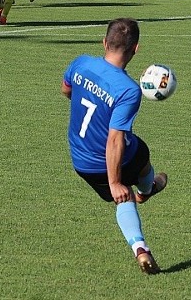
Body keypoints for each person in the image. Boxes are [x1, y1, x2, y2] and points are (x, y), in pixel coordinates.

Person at [62, 18, 168, 275]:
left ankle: (140, 249)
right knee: (140, 154)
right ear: (135, 49)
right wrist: (115, 181)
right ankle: (146, 189)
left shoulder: (80, 63)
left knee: (123, 200)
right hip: (105, 160)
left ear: (104, 42)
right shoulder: (129, 90)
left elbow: (67, 90)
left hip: (79, 160)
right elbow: (114, 139)